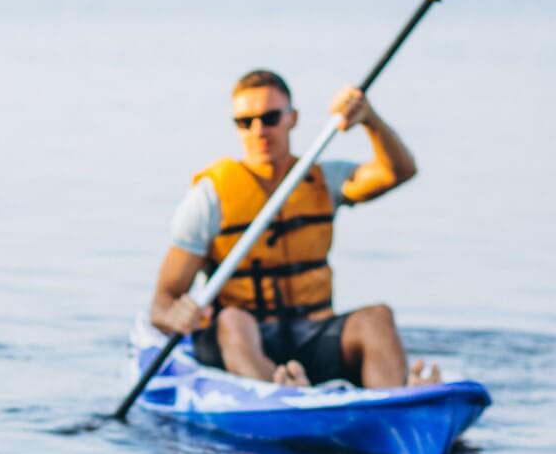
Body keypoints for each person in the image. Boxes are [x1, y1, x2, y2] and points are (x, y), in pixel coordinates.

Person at [147, 69, 440, 388]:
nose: (259, 131)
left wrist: (369, 118)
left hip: (313, 333)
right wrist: (175, 316)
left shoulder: (323, 181)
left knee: (377, 318)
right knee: (232, 319)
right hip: (243, 341)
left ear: (293, 119)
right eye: (245, 122)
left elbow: (398, 171)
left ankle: (394, 401)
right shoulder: (209, 199)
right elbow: (161, 303)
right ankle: (280, 394)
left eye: (270, 117)